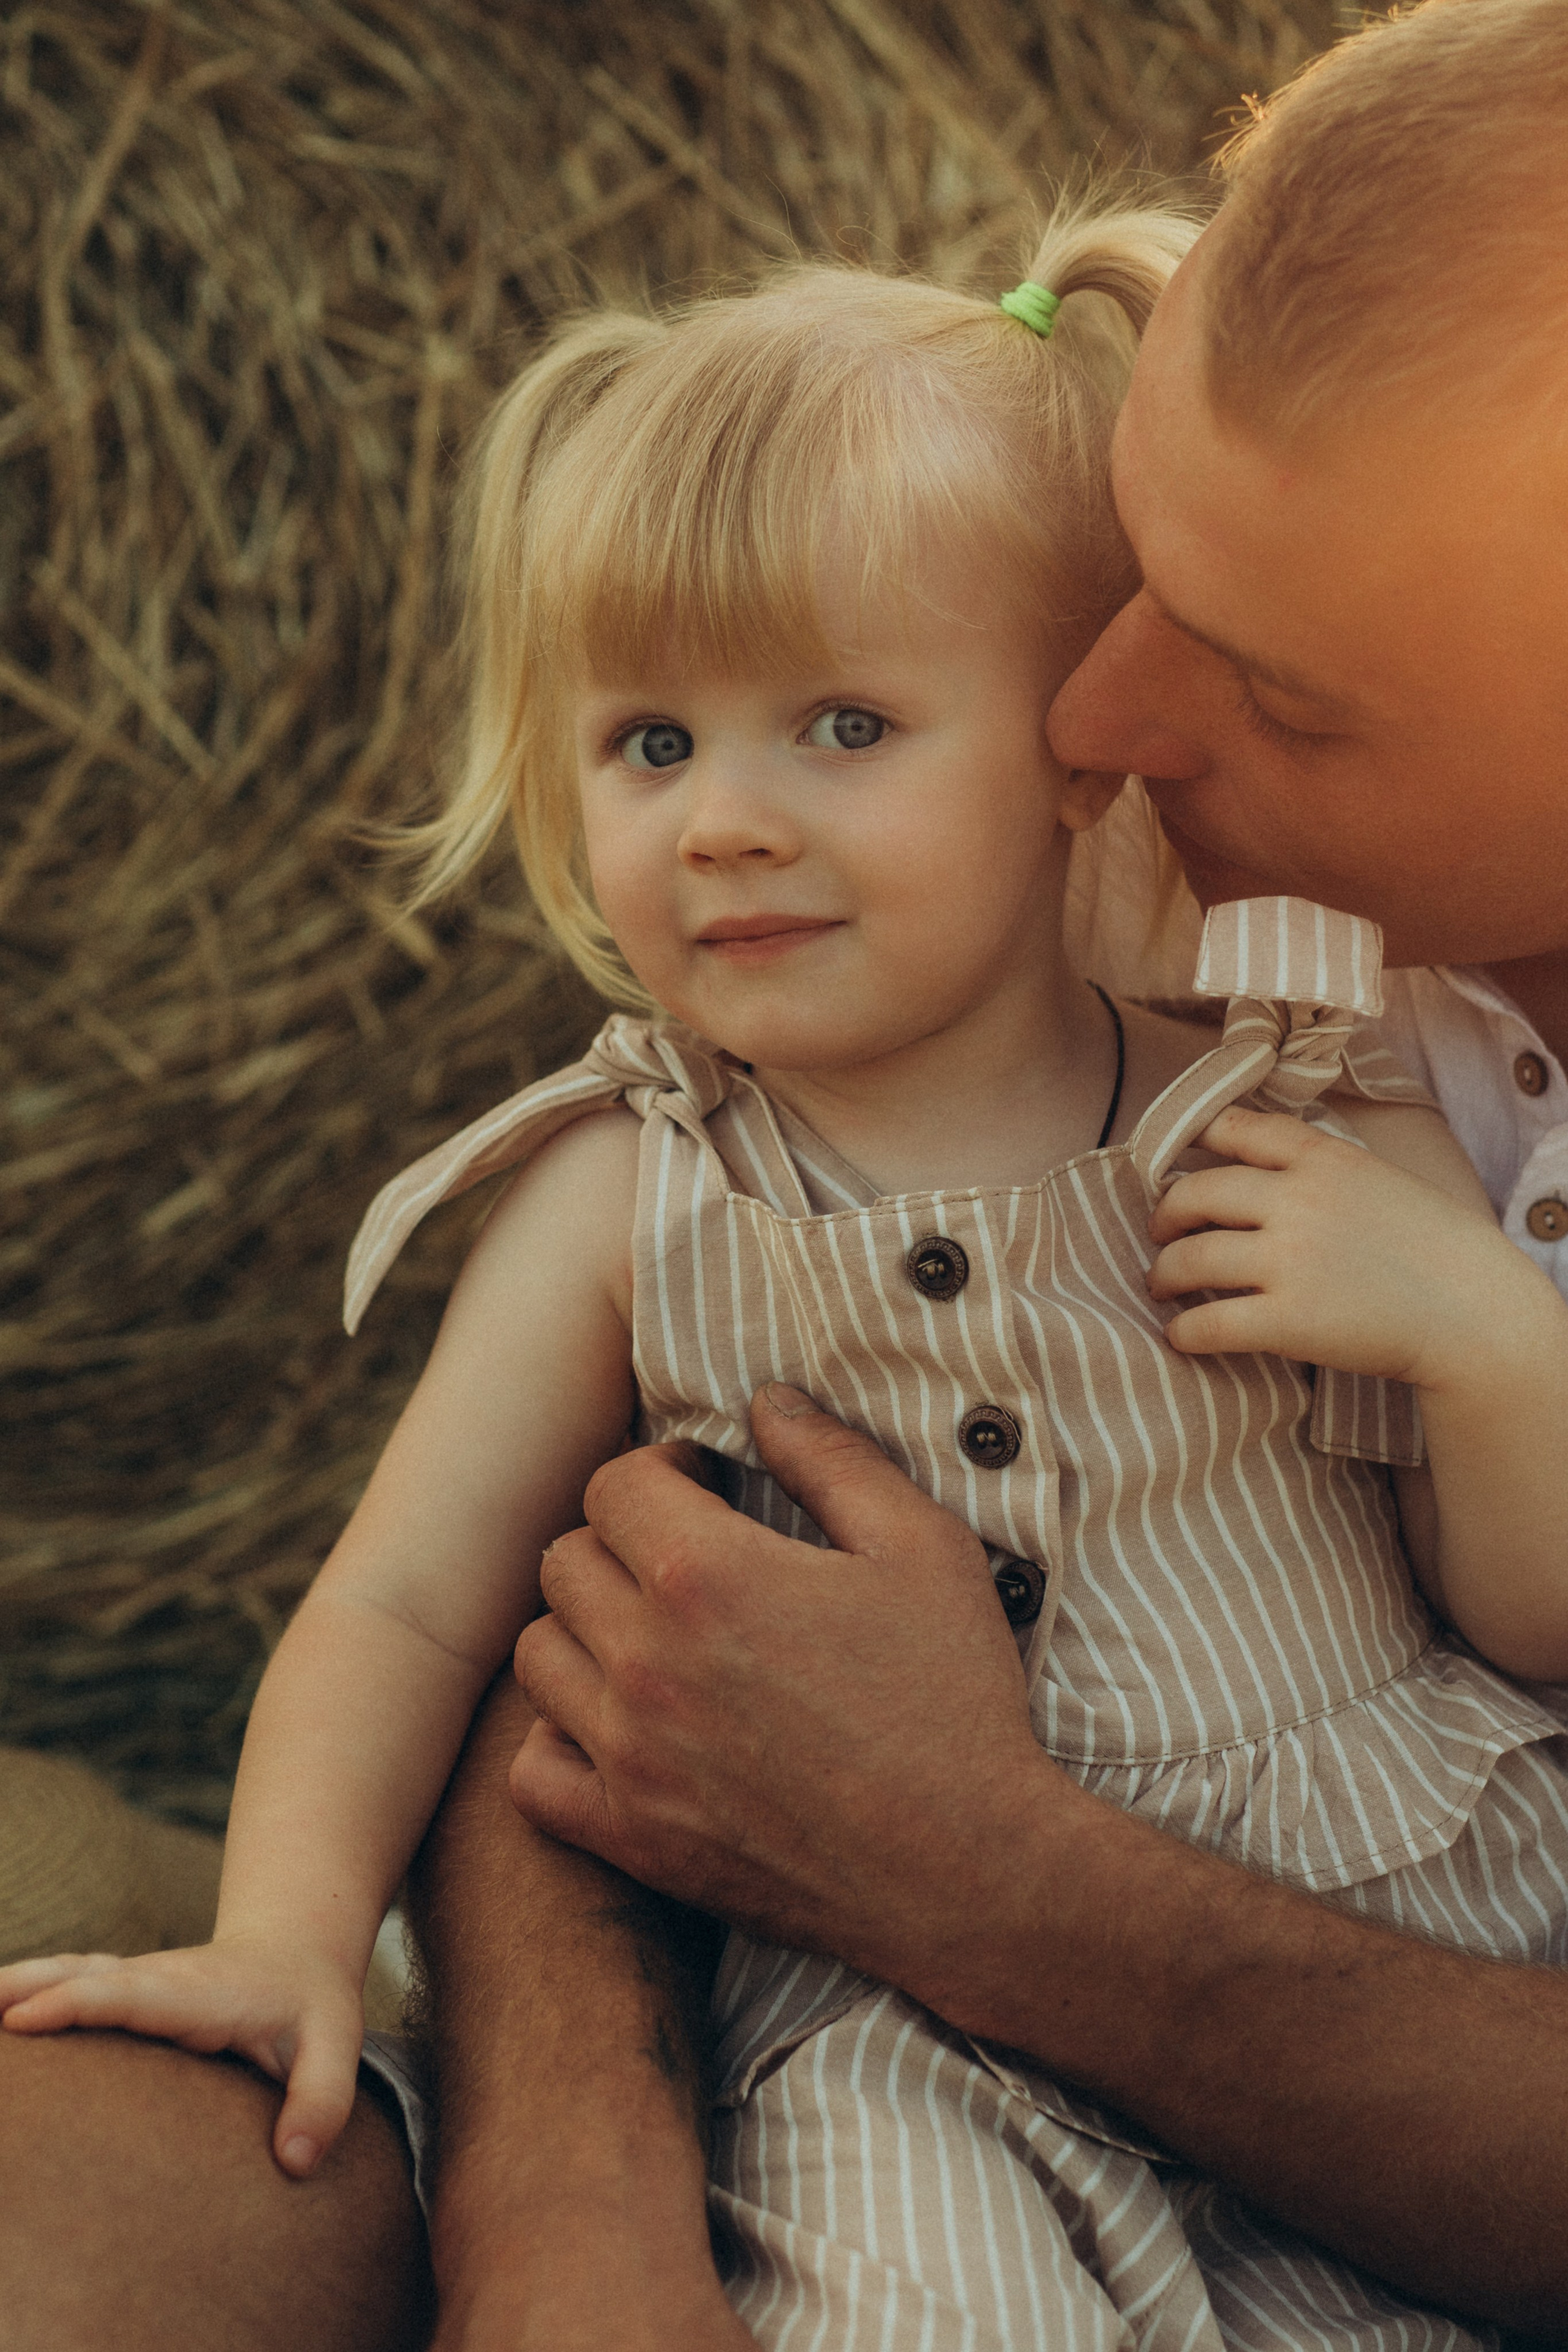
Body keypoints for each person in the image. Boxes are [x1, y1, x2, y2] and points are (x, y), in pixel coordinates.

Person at [6, 4, 1568, 2347]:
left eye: (842, 728)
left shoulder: (1265, 1086)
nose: (1119, 724)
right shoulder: (674, 1171)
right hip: (891, 2065)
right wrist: (301, 1957)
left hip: (1406, 1915)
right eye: (648, 739)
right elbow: (430, 1606)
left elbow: (1508, 1616)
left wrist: (1488, 1353)